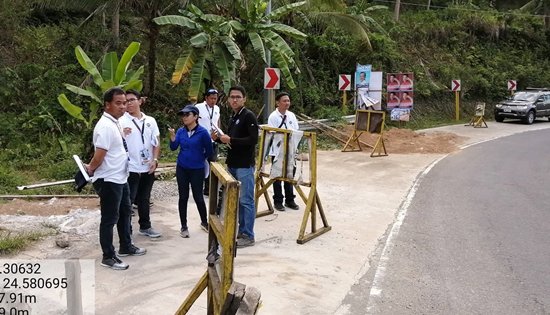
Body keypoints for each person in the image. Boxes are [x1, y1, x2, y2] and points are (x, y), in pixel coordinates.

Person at [85, 87, 146, 271]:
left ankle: (126, 246)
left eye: (125, 103)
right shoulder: (104, 126)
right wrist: (90, 170)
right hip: (109, 179)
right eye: (118, 103)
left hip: (121, 177)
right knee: (109, 218)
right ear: (107, 105)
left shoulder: (115, 122)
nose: (123, 106)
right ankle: (108, 256)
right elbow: (99, 154)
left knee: (125, 212)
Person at [215, 86, 259, 248]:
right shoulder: (234, 116)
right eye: (232, 97)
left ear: (244, 99)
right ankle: (242, 230)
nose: (234, 99)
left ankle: (248, 234)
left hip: (244, 165)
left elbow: (253, 140)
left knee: (246, 200)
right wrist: (219, 139)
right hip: (232, 164)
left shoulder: (248, 116)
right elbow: (231, 139)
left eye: (238, 97)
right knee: (237, 200)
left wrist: (230, 140)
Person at [119, 90, 161, 239]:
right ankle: (126, 231)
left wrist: (155, 160)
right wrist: (121, 134)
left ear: (140, 101)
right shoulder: (120, 121)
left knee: (144, 198)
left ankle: (145, 226)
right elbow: (112, 143)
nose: (128, 103)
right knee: (128, 201)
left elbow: (156, 143)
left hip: (147, 166)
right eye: (126, 101)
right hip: (129, 167)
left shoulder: (150, 121)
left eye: (131, 100)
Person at [169, 105, 213, 238]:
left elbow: (209, 151)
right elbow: (173, 147)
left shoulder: (203, 132)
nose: (184, 117)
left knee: (198, 196)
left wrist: (199, 159)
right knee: (183, 197)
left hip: (197, 169)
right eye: (183, 115)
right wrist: (172, 137)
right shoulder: (181, 131)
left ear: (195, 117)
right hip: (182, 167)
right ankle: (184, 226)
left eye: (187, 114)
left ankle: (204, 222)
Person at [268, 92, 300, 211]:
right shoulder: (273, 116)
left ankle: (290, 200)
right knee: (277, 176)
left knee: (290, 174)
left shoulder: (291, 115)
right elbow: (272, 134)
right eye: (284, 101)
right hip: (278, 151)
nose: (287, 103)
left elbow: (296, 131)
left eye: (288, 101)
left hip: (291, 150)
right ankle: (278, 201)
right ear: (277, 102)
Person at [195, 88, 220, 196]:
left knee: (212, 164)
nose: (213, 101)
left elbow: (217, 121)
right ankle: (197, 187)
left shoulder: (217, 108)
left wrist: (219, 134)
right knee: (200, 164)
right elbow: (193, 121)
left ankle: (208, 189)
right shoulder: (198, 107)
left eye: (215, 98)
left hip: (213, 141)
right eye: (211, 98)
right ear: (206, 98)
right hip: (201, 141)